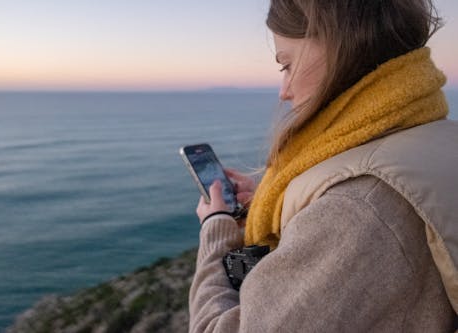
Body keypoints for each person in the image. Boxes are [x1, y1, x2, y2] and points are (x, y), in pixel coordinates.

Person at [189, 0, 458, 332]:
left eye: (285, 65)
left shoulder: (353, 209)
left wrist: (216, 228)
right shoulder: (437, 133)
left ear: (341, 49)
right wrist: (283, 201)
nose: (283, 92)